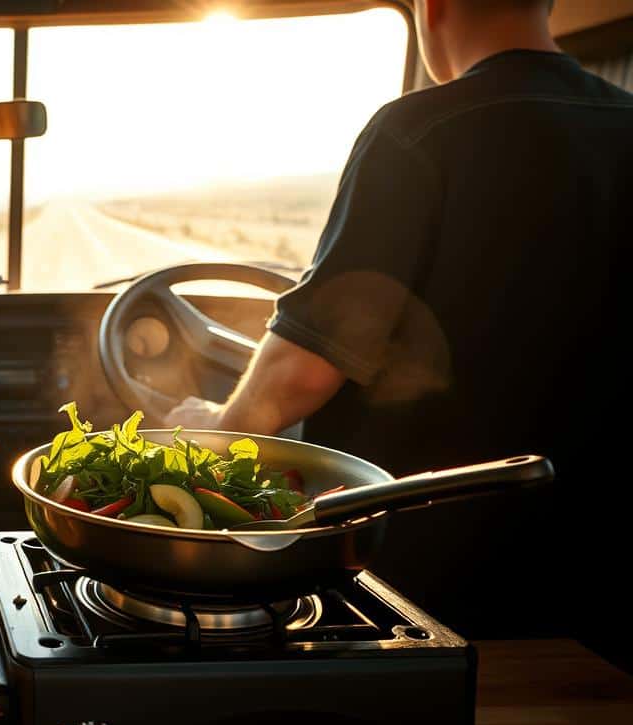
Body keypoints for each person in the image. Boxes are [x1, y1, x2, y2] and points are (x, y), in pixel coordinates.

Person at [166, 0, 633, 664]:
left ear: (432, 8)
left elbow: (301, 372)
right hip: (597, 583)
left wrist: (218, 425)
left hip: (420, 580)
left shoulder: (420, 130)